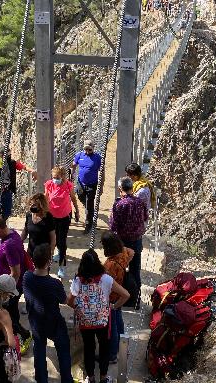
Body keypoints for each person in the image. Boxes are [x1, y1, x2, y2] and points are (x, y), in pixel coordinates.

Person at [68, 249, 130, 383]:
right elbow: (126, 295)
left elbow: (69, 301)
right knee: (104, 348)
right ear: (97, 263)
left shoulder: (78, 281)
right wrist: (113, 306)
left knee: (89, 348)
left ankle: (90, 378)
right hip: (103, 321)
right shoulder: (106, 279)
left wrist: (79, 309)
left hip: (85, 322)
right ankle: (103, 377)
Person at [22, 244, 73, 383]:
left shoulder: (27, 277)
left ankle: (41, 380)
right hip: (54, 322)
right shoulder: (55, 283)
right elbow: (65, 300)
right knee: (63, 351)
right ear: (49, 262)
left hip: (36, 322)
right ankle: (67, 379)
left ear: (33, 260)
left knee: (39, 352)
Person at [0, 215, 33, 353]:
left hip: (11, 287)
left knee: (9, 315)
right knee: (11, 312)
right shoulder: (12, 233)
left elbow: (15, 272)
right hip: (10, 284)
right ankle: (13, 335)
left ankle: (25, 335)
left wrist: (7, 293)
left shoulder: (9, 245)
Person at [109, 177, 148, 308]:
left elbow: (113, 226)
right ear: (132, 188)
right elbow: (145, 218)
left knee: (118, 270)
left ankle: (119, 299)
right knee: (135, 271)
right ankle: (136, 302)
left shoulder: (119, 204)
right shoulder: (140, 202)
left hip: (122, 243)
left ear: (120, 189)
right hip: (137, 241)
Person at [101, 231, 135, 364]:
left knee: (112, 327)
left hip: (112, 298)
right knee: (119, 321)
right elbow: (132, 252)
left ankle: (112, 355)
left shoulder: (110, 265)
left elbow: (105, 281)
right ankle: (123, 348)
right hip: (119, 294)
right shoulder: (123, 254)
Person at [0, 149, 38, 221]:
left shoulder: (12, 163)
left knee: (7, 212)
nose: (8, 157)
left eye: (9, 155)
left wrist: (33, 171)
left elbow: (23, 167)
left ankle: (1, 223)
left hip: (7, 191)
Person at [44, 166, 80, 279]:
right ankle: (50, 262)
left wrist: (77, 211)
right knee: (51, 240)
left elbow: (73, 198)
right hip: (52, 216)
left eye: (57, 177)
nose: (55, 179)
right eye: (54, 177)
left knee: (61, 241)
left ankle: (62, 266)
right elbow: (45, 197)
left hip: (64, 216)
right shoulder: (49, 184)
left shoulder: (68, 185)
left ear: (63, 176)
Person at [71, 139, 102, 234]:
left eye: (90, 150)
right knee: (79, 194)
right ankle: (89, 207)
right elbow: (73, 166)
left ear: (93, 148)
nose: (87, 152)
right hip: (80, 182)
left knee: (89, 205)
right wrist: (71, 176)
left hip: (92, 184)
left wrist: (102, 185)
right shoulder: (79, 155)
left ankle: (88, 225)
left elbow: (102, 172)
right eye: (86, 149)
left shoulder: (98, 158)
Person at [20, 193, 56, 267]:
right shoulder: (29, 215)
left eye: (34, 205)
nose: (32, 207)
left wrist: (51, 252)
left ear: (41, 206)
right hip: (31, 250)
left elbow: (53, 237)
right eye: (31, 204)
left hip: (43, 252)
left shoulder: (48, 217)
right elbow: (26, 230)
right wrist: (19, 242)